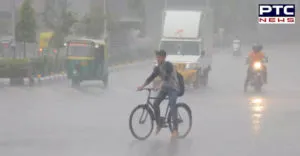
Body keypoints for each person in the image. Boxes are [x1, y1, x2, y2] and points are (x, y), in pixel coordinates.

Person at [137, 49, 179, 138]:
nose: (157, 58)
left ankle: (175, 130)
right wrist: (142, 86)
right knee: (155, 104)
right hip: (164, 88)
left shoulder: (168, 65)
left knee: (172, 105)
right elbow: (151, 77)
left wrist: (160, 85)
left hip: (173, 88)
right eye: (157, 57)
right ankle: (159, 124)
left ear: (163, 57)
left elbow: (167, 77)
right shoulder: (157, 68)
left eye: (159, 57)